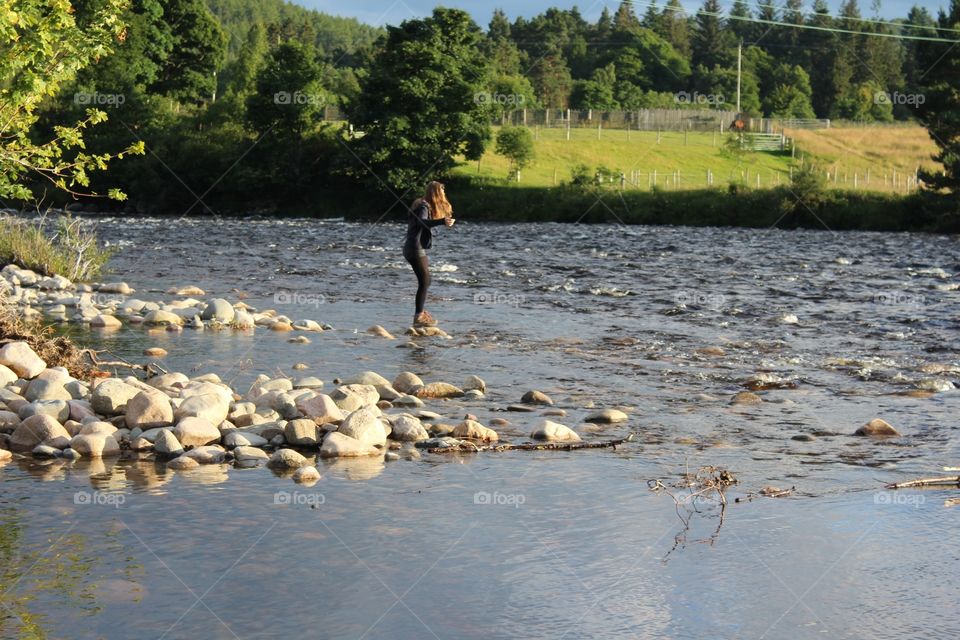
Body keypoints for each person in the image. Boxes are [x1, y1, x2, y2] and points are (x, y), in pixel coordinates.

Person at [403, 181, 455, 326]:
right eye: (442, 193)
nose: (444, 195)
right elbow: (422, 222)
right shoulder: (424, 206)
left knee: (426, 281)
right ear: (437, 194)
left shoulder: (421, 204)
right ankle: (419, 316)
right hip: (414, 248)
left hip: (412, 247)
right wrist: (442, 221)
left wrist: (442, 221)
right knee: (424, 281)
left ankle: (420, 313)